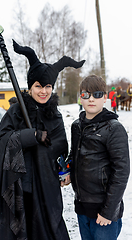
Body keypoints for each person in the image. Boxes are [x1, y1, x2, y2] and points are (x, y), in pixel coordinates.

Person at [0, 40, 85, 240]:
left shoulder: (55, 115)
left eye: (48, 86)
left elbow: (60, 148)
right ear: (31, 86)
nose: (43, 91)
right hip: (21, 186)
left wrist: (64, 168)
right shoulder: (16, 112)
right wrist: (30, 136)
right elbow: (2, 142)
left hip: (47, 187)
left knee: (50, 230)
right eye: (38, 86)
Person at [68, 75, 130, 240]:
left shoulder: (113, 129)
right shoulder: (76, 126)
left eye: (96, 94)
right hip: (82, 207)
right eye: (85, 95)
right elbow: (74, 154)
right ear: (80, 98)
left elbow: (122, 172)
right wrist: (68, 170)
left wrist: (108, 212)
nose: (91, 99)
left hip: (103, 212)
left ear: (105, 97)